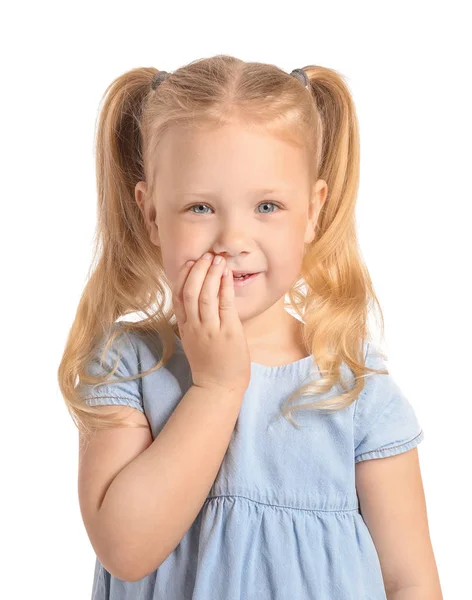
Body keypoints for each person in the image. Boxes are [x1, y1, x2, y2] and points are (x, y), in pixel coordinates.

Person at [57, 55, 442, 599]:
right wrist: (217, 386)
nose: (232, 238)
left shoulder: (355, 388)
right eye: (198, 207)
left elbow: (411, 582)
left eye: (267, 205)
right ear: (151, 217)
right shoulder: (127, 366)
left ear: (312, 211)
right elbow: (126, 548)